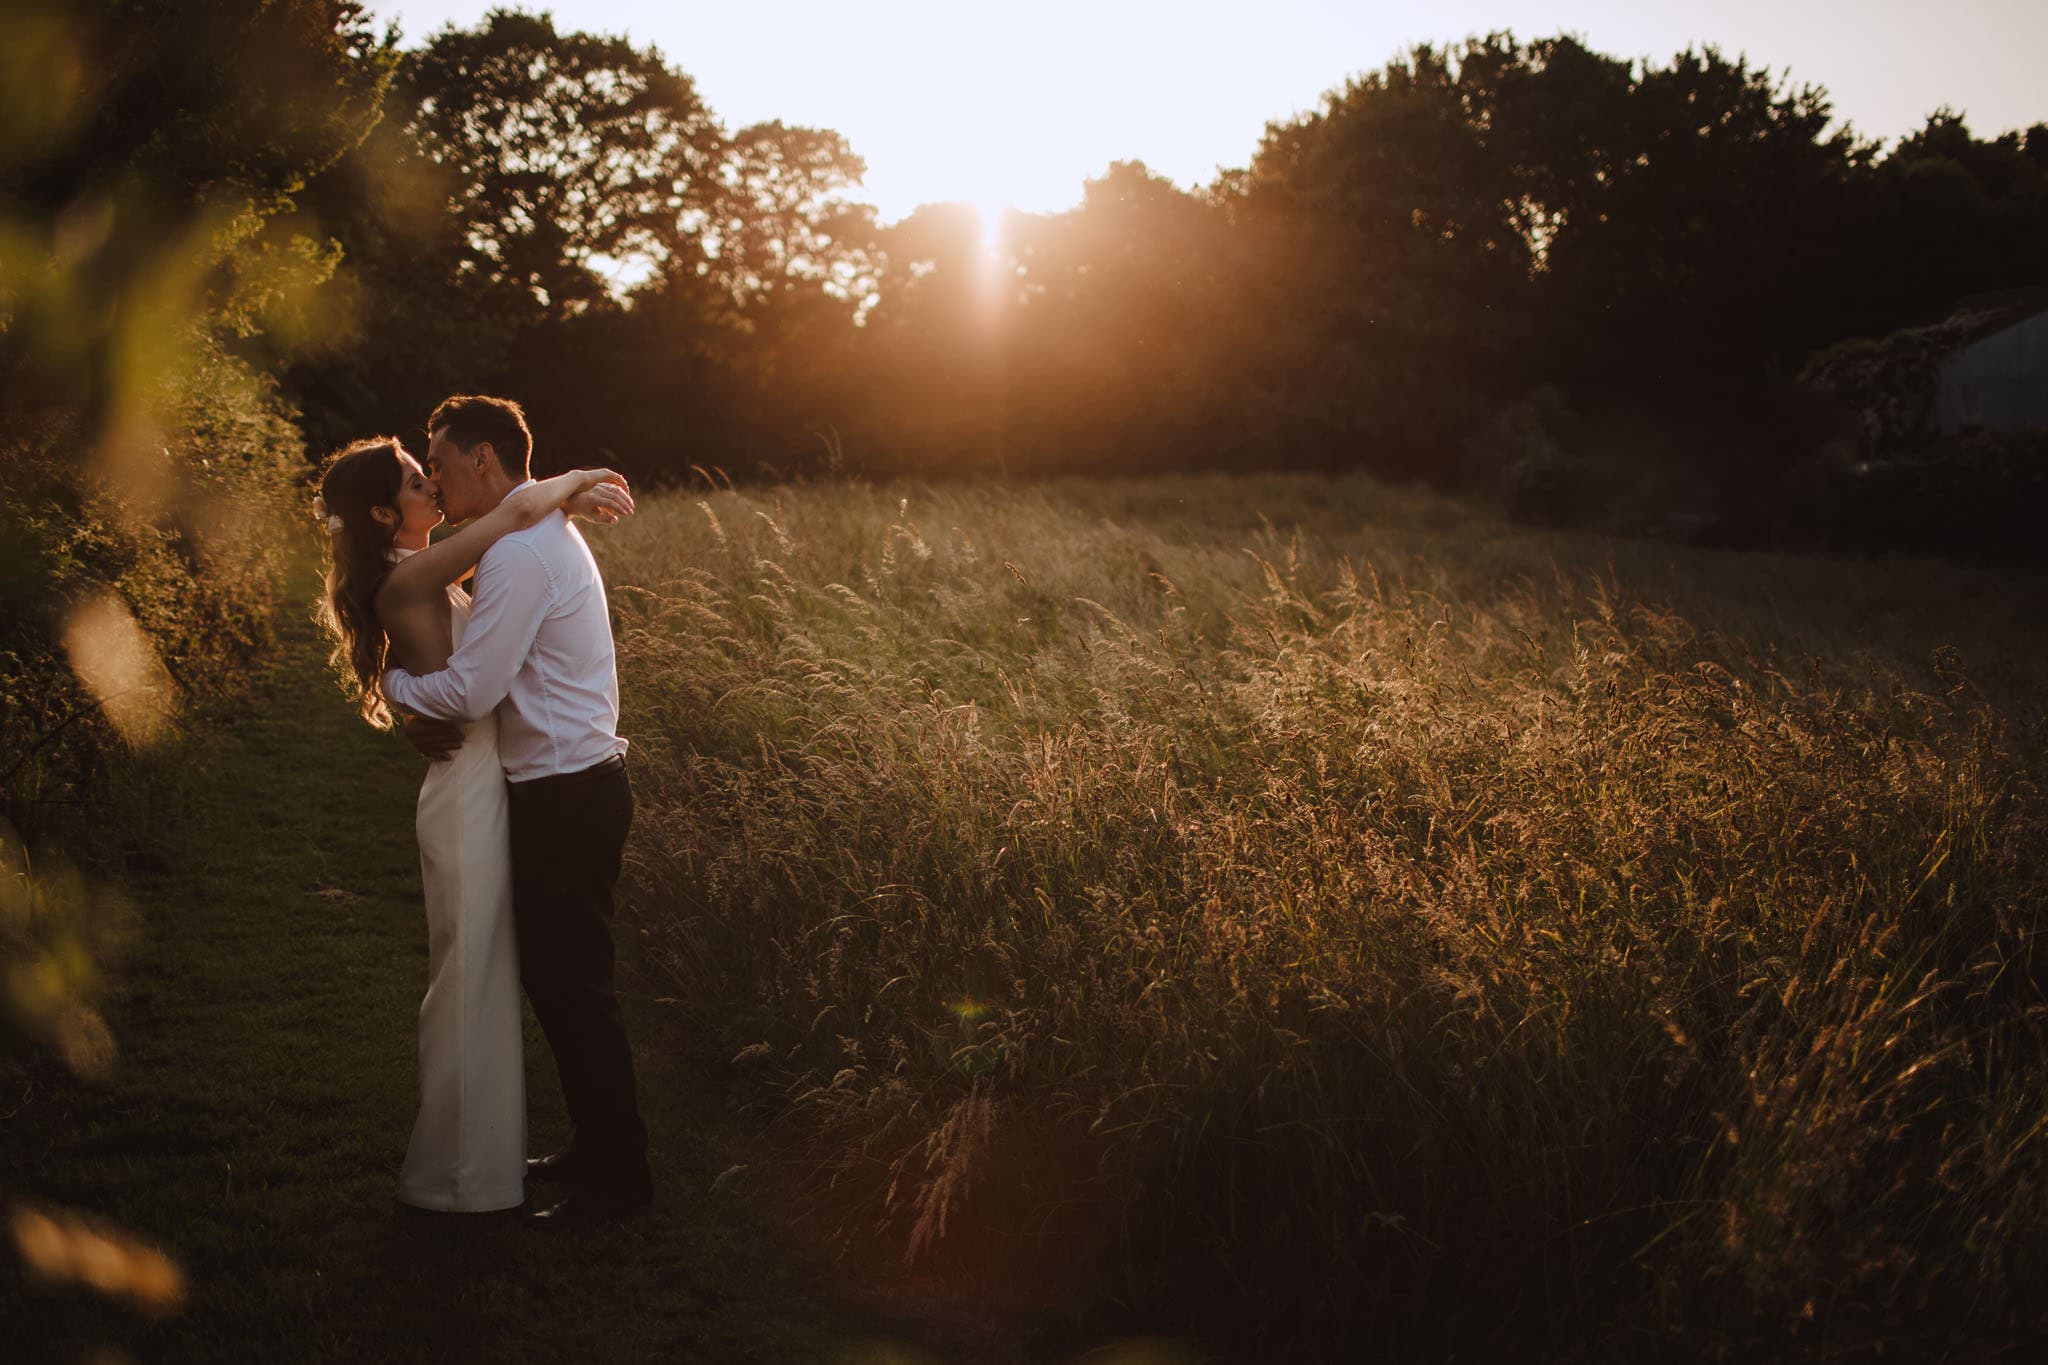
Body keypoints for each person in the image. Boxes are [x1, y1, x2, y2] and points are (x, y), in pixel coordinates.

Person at [314, 436, 634, 1215]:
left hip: (494, 782)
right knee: (468, 980)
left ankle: (493, 1164)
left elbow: (512, 521)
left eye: (433, 471)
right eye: (419, 481)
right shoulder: (411, 572)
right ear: (388, 513)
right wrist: (579, 479)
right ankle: (458, 1174)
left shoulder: (422, 565)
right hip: (469, 788)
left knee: (494, 975)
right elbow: (514, 508)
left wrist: (402, 692)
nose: (434, 487)